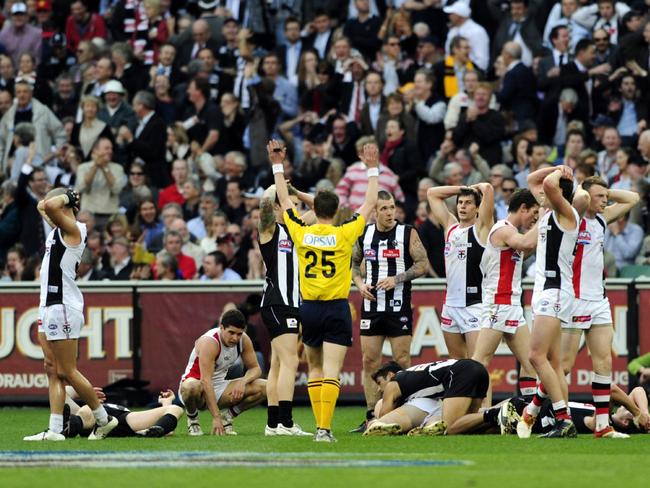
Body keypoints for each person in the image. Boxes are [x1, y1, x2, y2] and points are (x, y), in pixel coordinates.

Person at [270, 139, 379, 442]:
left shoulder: (301, 232)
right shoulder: (345, 233)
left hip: (309, 308)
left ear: (314, 209)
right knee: (332, 368)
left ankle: (320, 427)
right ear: (337, 211)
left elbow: (285, 200)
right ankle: (324, 429)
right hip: (335, 306)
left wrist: (277, 164)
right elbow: (369, 204)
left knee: (315, 368)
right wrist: (372, 169)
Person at [24, 188, 117, 441]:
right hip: (49, 305)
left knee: (68, 370)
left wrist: (67, 197)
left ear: (65, 207)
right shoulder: (59, 229)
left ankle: (104, 420)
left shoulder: (75, 229)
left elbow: (51, 206)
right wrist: (59, 198)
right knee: (52, 368)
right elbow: (43, 206)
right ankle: (55, 430)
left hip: (62, 305)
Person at [561, 177, 639, 438]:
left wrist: (602, 192)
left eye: (606, 196)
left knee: (603, 362)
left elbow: (633, 199)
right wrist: (585, 192)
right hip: (575, 300)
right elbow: (577, 200)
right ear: (585, 196)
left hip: (599, 301)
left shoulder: (602, 219)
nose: (606, 200)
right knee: (564, 367)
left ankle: (603, 425)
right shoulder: (573, 218)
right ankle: (539, 412)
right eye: (601, 197)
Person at [517, 166, 590, 439]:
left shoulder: (566, 214)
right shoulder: (550, 213)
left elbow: (546, 184)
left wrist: (560, 172)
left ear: (560, 194)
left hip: (555, 291)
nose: (540, 198)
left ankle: (561, 418)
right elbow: (533, 180)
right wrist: (557, 169)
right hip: (548, 292)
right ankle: (560, 418)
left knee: (535, 356)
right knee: (554, 363)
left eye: (549, 194)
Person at [350, 190, 429, 432]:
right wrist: (359, 284)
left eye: (392, 207)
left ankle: (402, 412)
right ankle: (371, 415)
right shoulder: (364, 232)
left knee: (402, 360)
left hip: (398, 306)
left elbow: (422, 264)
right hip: (372, 306)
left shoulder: (407, 233)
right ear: (374, 211)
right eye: (383, 208)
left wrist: (397, 279)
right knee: (369, 362)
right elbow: (353, 264)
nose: (389, 212)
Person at [471, 190, 540, 406]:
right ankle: (470, 410)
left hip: (512, 306)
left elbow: (525, 251)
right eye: (534, 213)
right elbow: (526, 245)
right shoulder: (503, 229)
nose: (535, 218)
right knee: (479, 363)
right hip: (497, 304)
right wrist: (547, 217)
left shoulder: (513, 234)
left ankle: (527, 413)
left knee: (530, 363)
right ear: (523, 209)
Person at [258, 182, 314, 436]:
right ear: (279, 206)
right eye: (291, 204)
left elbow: (327, 209)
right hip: (277, 302)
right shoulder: (271, 229)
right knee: (291, 360)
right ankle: (286, 422)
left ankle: (273, 424)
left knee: (279, 365)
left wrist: (297, 193)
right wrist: (275, 185)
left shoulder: (298, 230)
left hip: (291, 303)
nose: (297, 209)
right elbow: (264, 206)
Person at [426, 182, 494, 359]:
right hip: (450, 305)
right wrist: (462, 189)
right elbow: (432, 193)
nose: (463, 206)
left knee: (477, 365)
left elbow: (488, 188)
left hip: (474, 305)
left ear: (478, 208)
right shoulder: (451, 227)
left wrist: (475, 188)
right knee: (457, 364)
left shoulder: (481, 229)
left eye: (468, 203)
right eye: (460, 202)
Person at [178, 309, 267, 436]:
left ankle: (228, 417)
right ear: (221, 327)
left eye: (239, 334)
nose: (235, 338)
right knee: (191, 387)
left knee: (265, 387)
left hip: (219, 387)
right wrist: (216, 417)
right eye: (231, 332)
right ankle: (193, 419)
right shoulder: (210, 342)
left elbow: (255, 369)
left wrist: (243, 381)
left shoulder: (244, 340)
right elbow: (206, 381)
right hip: (197, 387)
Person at [365, 359, 489, 436]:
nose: (379, 389)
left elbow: (383, 416)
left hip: (459, 371)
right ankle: (498, 415)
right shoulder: (412, 375)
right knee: (467, 425)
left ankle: (493, 414)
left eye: (379, 383)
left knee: (450, 427)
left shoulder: (393, 383)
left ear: (390, 375)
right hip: (479, 369)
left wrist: (373, 421)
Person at [64, 388, 184, 438]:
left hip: (123, 419)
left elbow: (170, 429)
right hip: (93, 420)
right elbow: (63, 392)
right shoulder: (86, 408)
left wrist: (166, 401)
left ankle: (152, 432)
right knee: (87, 409)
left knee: (176, 408)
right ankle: (70, 426)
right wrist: (84, 391)